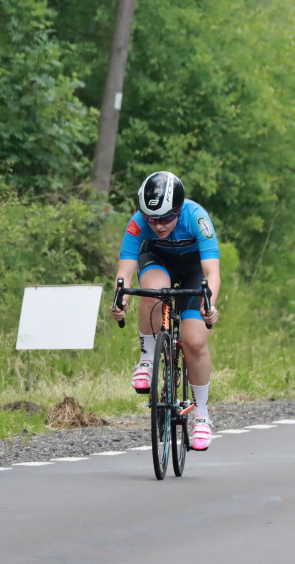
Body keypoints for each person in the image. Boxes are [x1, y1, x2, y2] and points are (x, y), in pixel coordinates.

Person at [109, 171, 220, 450]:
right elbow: (125, 272)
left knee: (194, 341)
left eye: (166, 218)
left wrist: (209, 305)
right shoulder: (138, 223)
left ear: (179, 209)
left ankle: (202, 416)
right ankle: (147, 358)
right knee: (154, 292)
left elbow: (212, 272)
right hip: (158, 261)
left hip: (194, 268)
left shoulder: (197, 218)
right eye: (151, 219)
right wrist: (119, 300)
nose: (157, 226)